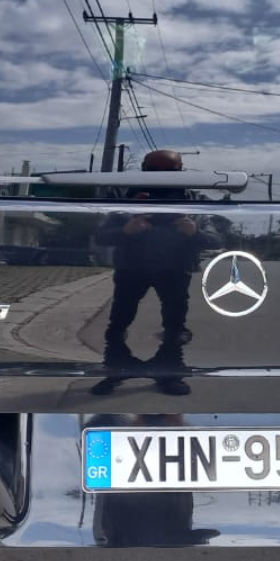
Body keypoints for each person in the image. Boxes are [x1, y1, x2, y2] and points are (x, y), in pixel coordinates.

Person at [92, 149, 215, 396]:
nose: (162, 177)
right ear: (144, 170)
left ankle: (169, 372)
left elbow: (215, 238)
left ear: (180, 171)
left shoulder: (192, 199)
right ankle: (115, 370)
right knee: (118, 323)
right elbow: (101, 236)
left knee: (175, 325)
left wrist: (194, 233)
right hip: (131, 268)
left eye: (169, 171)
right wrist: (126, 230)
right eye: (154, 170)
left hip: (175, 270)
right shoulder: (125, 197)